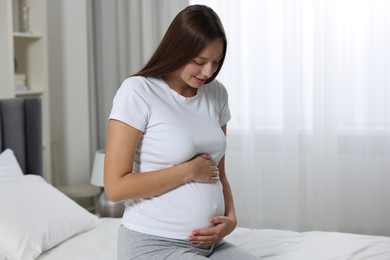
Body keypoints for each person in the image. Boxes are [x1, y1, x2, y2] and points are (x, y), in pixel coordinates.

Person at [104, 4, 258, 260]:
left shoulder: (216, 93)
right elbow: (115, 188)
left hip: (211, 244)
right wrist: (189, 171)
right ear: (177, 50)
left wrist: (231, 219)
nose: (208, 72)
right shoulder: (138, 91)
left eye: (216, 62)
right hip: (153, 243)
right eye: (199, 62)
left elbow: (220, 174)